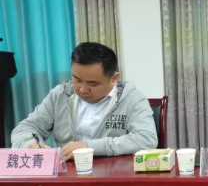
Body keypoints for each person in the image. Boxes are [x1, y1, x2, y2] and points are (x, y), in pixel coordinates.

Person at [11, 42, 158, 160]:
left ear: (114, 78)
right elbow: (24, 129)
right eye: (77, 79)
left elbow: (146, 138)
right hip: (68, 175)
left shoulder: (132, 98)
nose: (82, 89)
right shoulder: (60, 95)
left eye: (93, 83)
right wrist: (29, 144)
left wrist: (89, 147)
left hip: (114, 176)